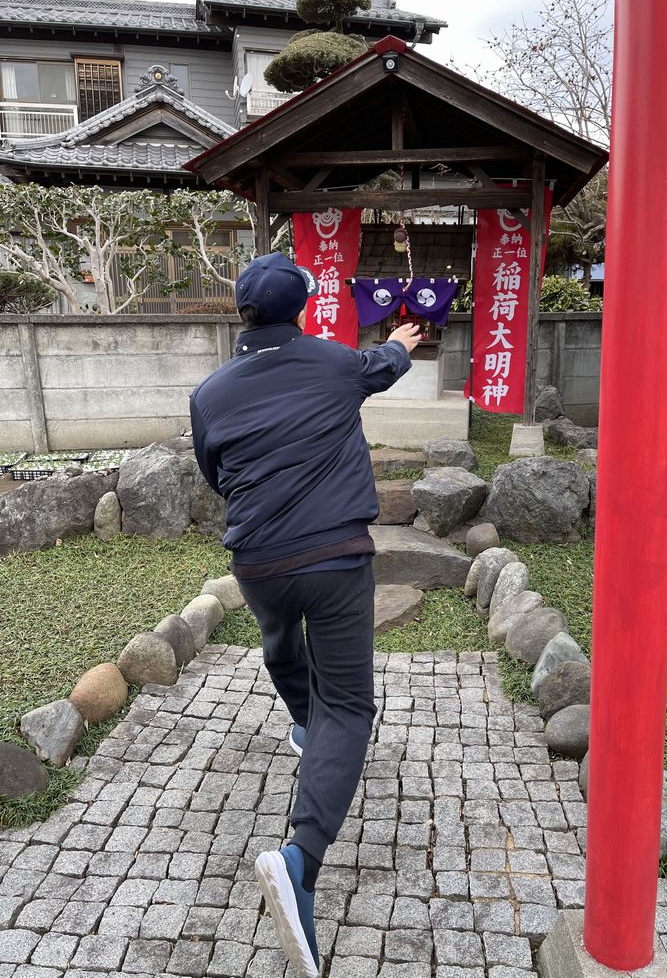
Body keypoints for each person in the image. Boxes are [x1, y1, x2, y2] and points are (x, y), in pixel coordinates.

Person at [189, 251, 421, 977]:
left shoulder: (209, 392)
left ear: (243, 313)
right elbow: (382, 363)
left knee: (281, 645)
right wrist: (404, 343)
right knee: (349, 707)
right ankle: (301, 859)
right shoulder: (334, 364)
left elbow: (212, 471)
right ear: (302, 310)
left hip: (256, 561)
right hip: (335, 559)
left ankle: (302, 724)